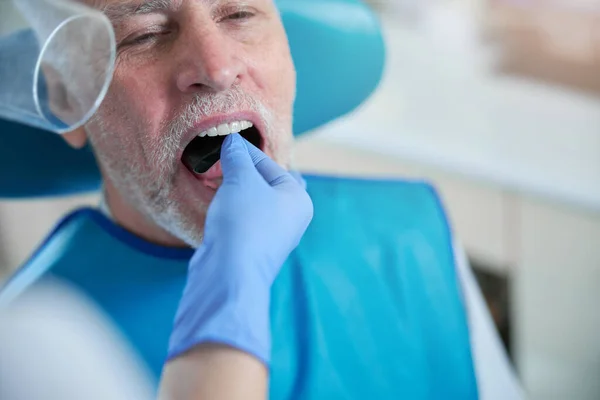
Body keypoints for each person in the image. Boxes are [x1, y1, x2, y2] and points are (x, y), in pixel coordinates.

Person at [0, 0, 523, 399]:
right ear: (67, 92)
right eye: (146, 32)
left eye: (239, 12)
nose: (217, 65)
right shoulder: (30, 354)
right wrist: (231, 289)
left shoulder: (414, 231)